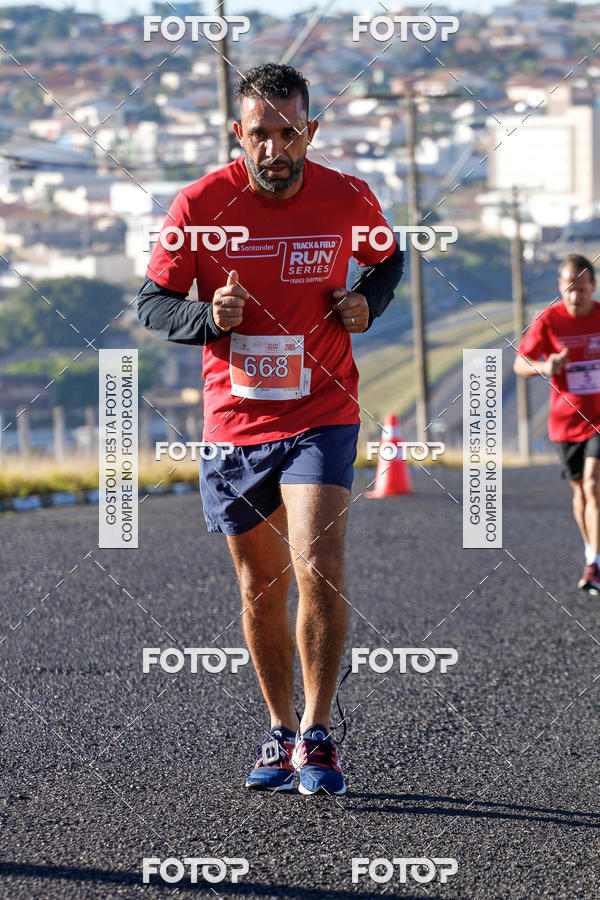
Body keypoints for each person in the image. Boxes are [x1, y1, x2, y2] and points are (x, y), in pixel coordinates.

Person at [138, 62, 403, 795]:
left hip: (322, 409)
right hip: (236, 422)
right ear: (239, 134)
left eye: (290, 134)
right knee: (261, 585)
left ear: (310, 130)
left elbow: (389, 260)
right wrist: (205, 319)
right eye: (261, 135)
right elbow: (153, 303)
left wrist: (366, 303)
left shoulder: (347, 195)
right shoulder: (198, 205)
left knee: (319, 562)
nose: (275, 150)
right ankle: (280, 729)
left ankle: (318, 733)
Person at [514, 254, 600, 594]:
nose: (575, 296)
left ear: (592, 286)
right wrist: (547, 367)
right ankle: (590, 548)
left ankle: (594, 563)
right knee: (580, 491)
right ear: (560, 288)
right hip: (566, 421)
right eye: (569, 289)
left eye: (581, 289)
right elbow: (520, 364)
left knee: (593, 485)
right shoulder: (548, 320)